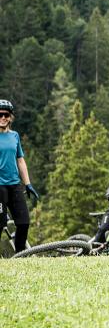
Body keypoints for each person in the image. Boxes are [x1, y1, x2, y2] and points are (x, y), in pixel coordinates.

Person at [0, 99, 39, 253]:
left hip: (14, 184)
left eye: (6, 115)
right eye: (0, 114)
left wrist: (28, 183)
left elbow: (20, 161)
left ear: (11, 117)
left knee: (23, 222)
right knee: (0, 223)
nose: (3, 117)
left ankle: (20, 255)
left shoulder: (14, 136)